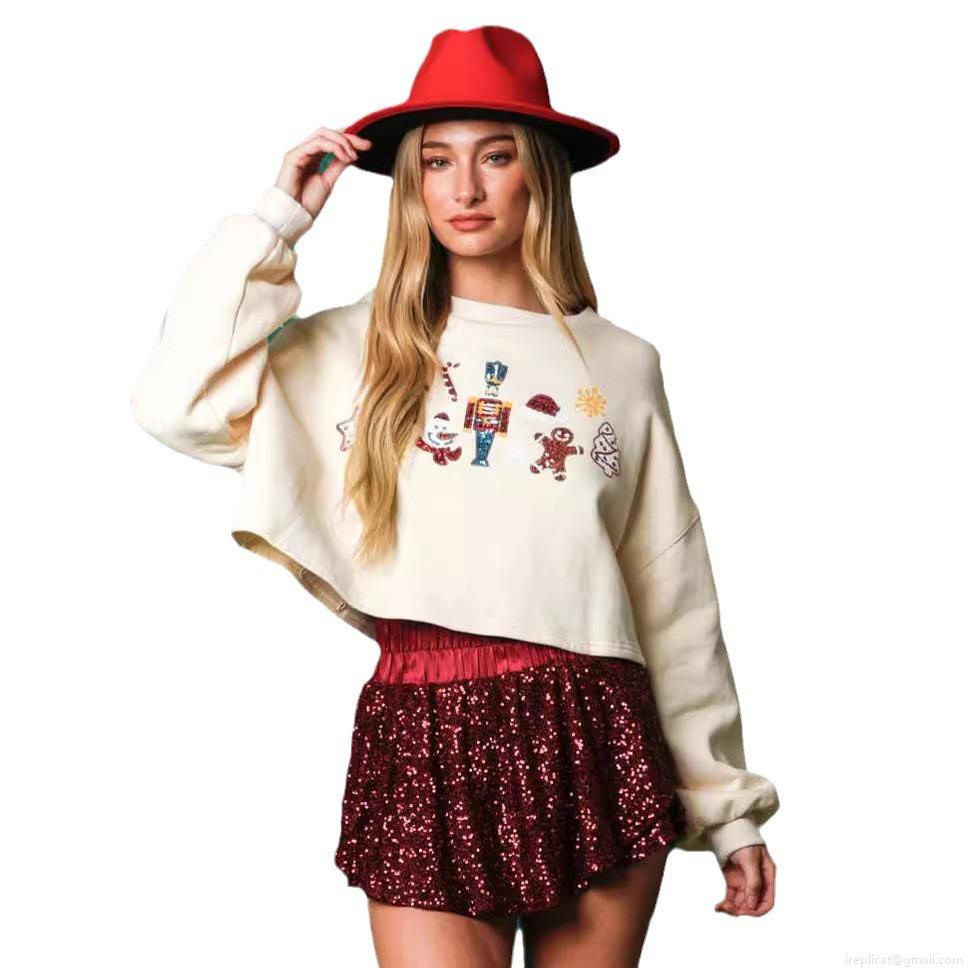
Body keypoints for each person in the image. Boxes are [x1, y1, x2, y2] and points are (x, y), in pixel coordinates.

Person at [130, 25, 780, 968]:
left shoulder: (621, 364)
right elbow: (175, 404)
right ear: (412, 185)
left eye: (495, 157)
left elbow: (671, 594)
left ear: (539, 175)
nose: (464, 189)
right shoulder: (352, 349)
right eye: (437, 161)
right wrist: (277, 221)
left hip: (593, 730)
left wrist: (727, 809)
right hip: (424, 729)